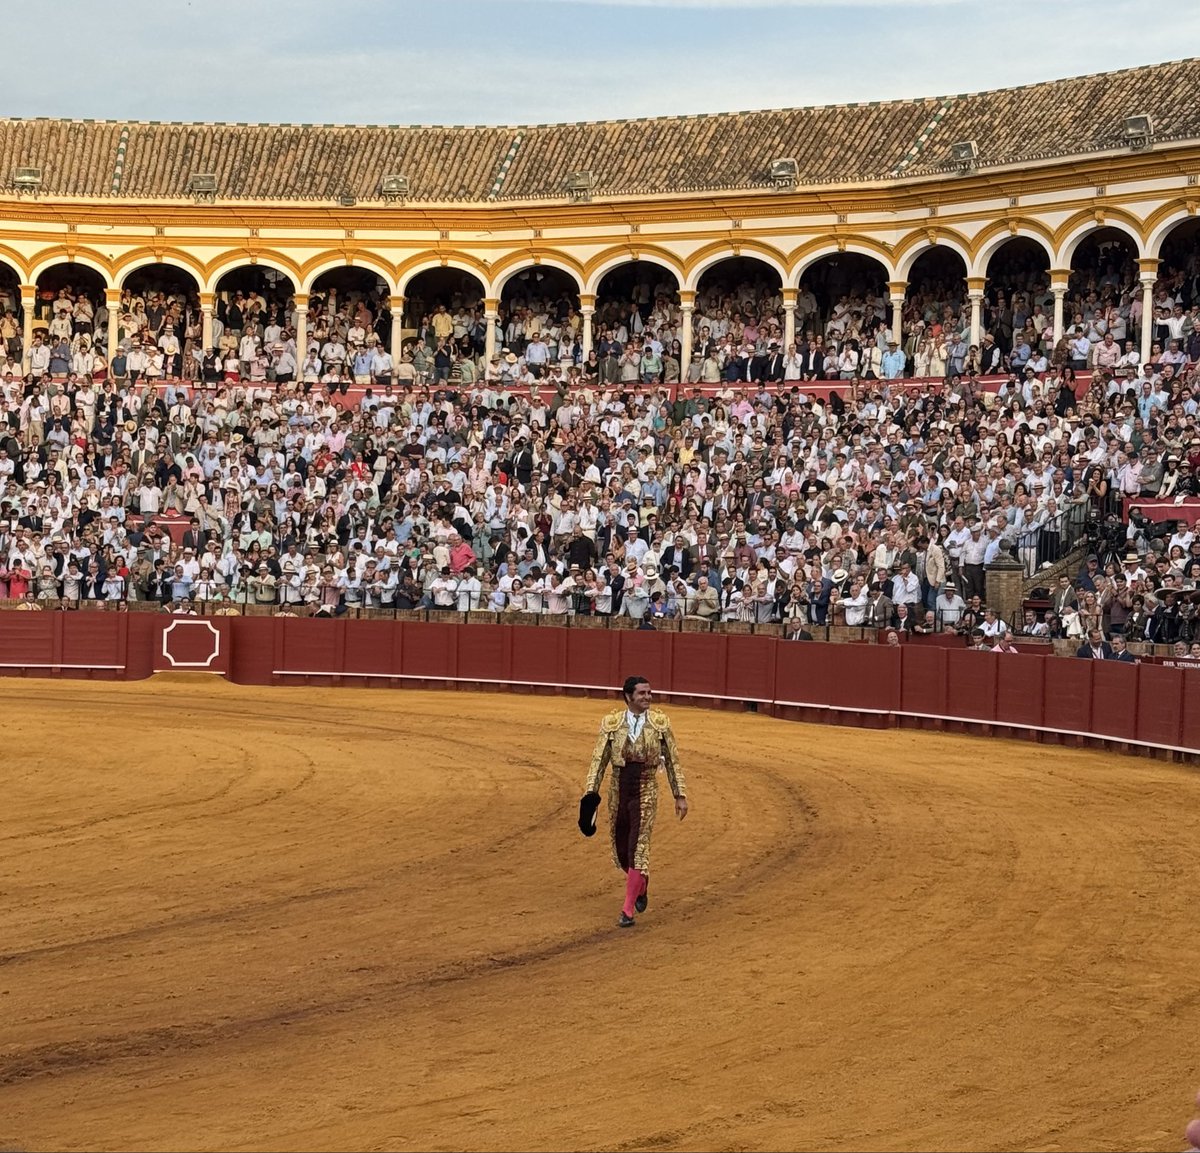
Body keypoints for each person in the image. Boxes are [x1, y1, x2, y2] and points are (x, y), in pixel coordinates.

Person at [579, 675, 689, 928]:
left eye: (649, 693)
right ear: (628, 696)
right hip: (619, 788)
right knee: (621, 851)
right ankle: (642, 883)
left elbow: (672, 760)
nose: (648, 697)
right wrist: (590, 795)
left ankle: (627, 909)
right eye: (642, 693)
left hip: (646, 788)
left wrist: (679, 795)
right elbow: (599, 760)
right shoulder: (611, 724)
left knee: (638, 847)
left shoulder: (660, 723)